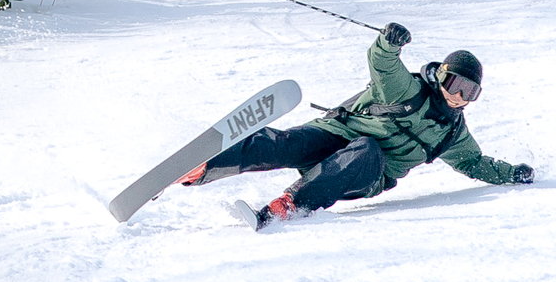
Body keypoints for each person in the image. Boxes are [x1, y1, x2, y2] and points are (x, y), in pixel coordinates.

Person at [180, 22, 534, 229]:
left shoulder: (453, 134)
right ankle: (202, 166)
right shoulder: (406, 90)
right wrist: (388, 42)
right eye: (457, 85)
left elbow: (475, 163)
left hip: (366, 172)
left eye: (471, 93)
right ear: (442, 75)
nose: (461, 97)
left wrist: (511, 173)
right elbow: (382, 63)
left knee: (368, 149)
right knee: (287, 142)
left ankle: (288, 205)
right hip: (336, 136)